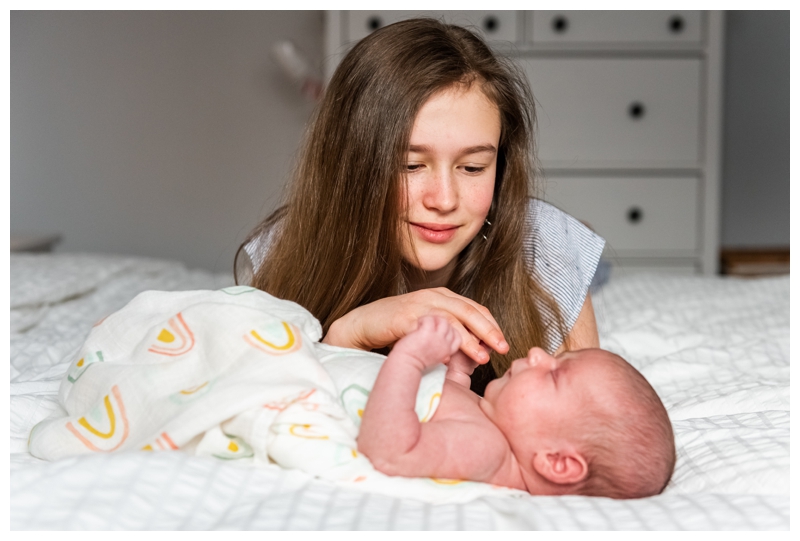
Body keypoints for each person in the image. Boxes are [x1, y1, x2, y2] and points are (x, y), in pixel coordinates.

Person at [236, 18, 605, 395]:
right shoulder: (277, 254)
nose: (444, 200)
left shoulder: (545, 249)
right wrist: (349, 334)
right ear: (350, 167)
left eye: (473, 168)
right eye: (410, 166)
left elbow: (580, 426)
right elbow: (260, 412)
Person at [358, 315, 676, 499]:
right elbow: (446, 416)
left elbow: (391, 450)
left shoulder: (488, 450)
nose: (538, 353)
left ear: (557, 462)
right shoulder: (493, 430)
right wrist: (457, 374)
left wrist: (409, 359)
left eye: (554, 375)